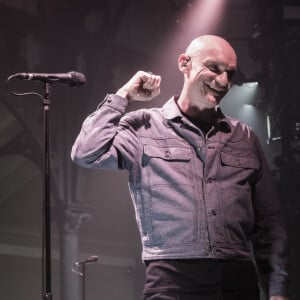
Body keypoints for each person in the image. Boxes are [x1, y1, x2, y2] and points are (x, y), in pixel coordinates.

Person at [71, 35, 290, 300]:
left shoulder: (244, 137)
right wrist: (123, 95)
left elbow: (270, 222)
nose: (223, 82)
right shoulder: (142, 127)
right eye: (214, 68)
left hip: (238, 280)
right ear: (184, 63)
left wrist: (278, 288)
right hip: (170, 279)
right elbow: (85, 153)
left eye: (230, 74)